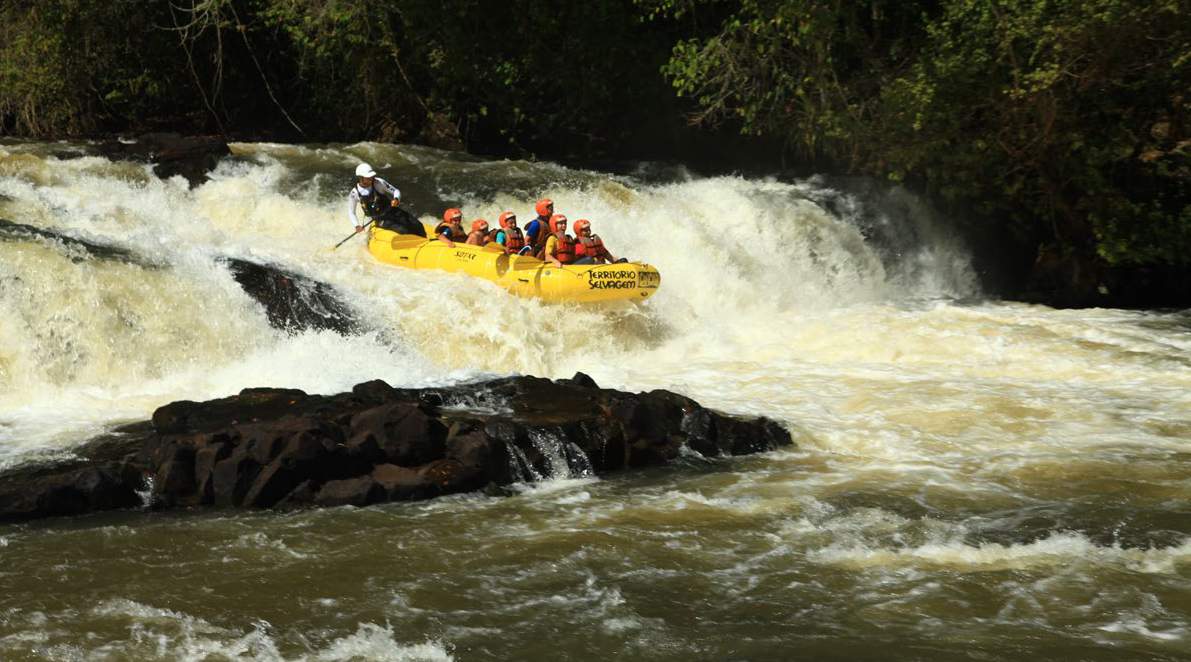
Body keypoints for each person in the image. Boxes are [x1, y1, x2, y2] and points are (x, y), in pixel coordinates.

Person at [346, 163, 425, 236]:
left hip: (391, 211)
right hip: (380, 219)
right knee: (403, 230)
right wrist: (357, 225)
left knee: (418, 225)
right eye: (368, 178)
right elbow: (351, 212)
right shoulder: (354, 193)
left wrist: (396, 199)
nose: (371, 179)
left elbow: (396, 191)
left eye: (371, 177)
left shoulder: (379, 183)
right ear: (361, 178)